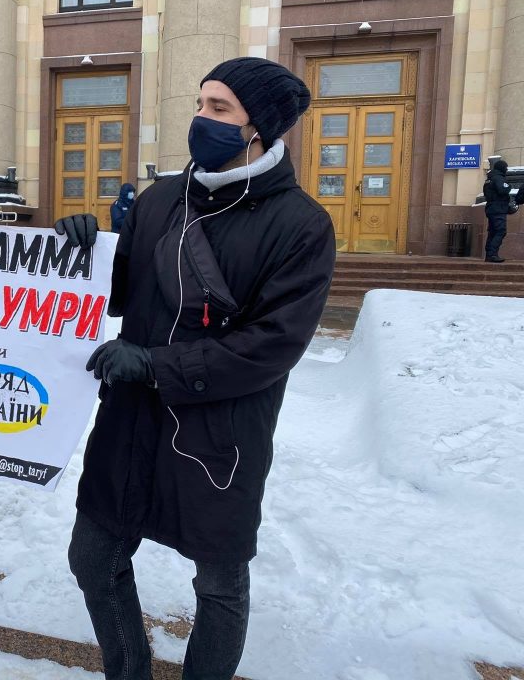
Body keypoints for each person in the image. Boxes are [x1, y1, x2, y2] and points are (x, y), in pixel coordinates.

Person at [55, 58, 335, 680]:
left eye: (219, 109)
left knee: (219, 583)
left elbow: (271, 345)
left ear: (257, 127)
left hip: (218, 435)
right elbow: (117, 291)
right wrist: (77, 252)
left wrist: (156, 366)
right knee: (93, 558)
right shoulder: (159, 201)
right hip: (129, 422)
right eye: (200, 103)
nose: (200, 118)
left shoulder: (302, 225)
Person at [483, 159, 512, 262]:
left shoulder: (489, 179)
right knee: (500, 231)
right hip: (498, 209)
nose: (507, 170)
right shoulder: (498, 178)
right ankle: (492, 254)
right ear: (502, 168)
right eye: (506, 168)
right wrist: (509, 186)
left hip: (491, 208)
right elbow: (502, 190)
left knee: (492, 232)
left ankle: (489, 255)